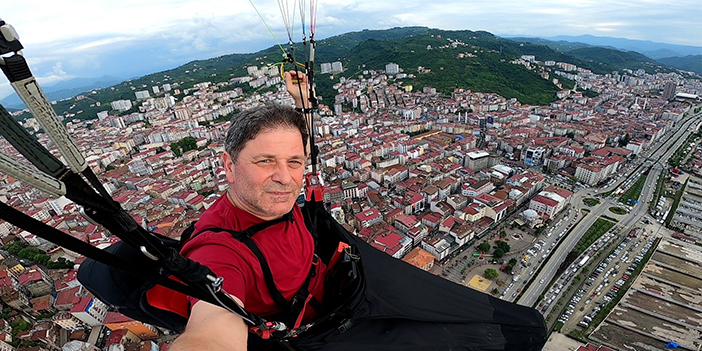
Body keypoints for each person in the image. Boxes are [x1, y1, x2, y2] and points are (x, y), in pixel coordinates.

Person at [171, 71, 324, 351]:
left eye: (294, 162)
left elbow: (305, 149)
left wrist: (303, 103)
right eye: (265, 161)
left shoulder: (269, 199)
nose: (285, 177)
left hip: (328, 292)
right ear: (229, 166)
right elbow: (212, 333)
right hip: (310, 330)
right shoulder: (219, 249)